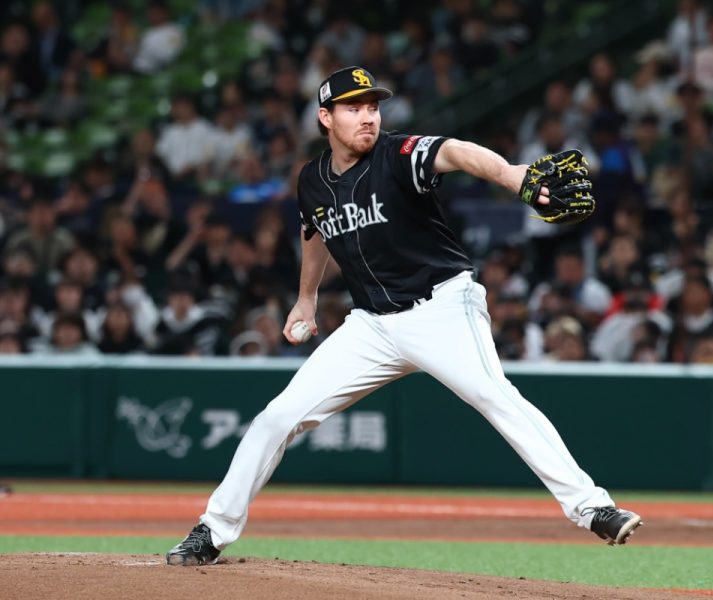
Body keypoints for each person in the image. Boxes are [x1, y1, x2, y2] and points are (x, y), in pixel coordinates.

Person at [166, 66, 642, 566]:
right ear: (325, 118)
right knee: (276, 418)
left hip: (441, 308)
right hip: (371, 324)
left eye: (373, 106)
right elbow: (315, 231)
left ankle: (593, 508)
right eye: (353, 107)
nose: (368, 116)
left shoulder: (398, 154)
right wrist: (306, 298)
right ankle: (212, 531)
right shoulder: (311, 180)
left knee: (494, 396)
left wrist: (510, 175)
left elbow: (455, 151)